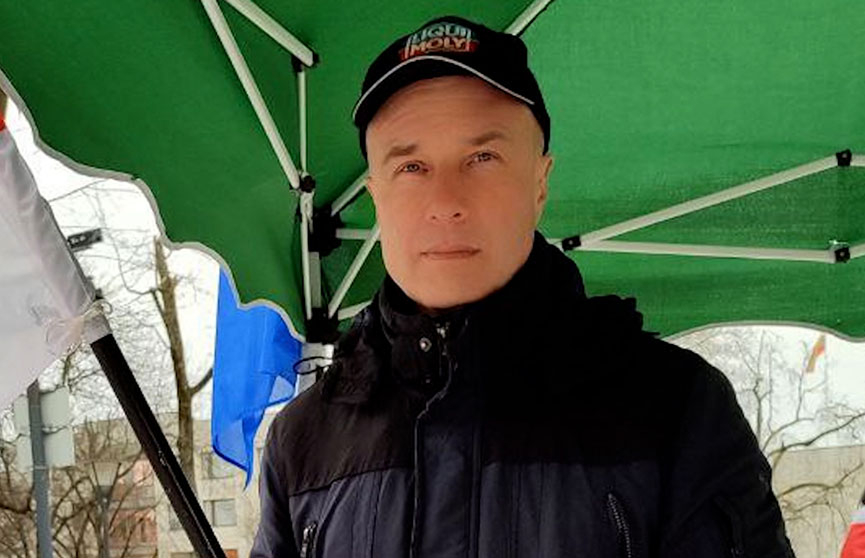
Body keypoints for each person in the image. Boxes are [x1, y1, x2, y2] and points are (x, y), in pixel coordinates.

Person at [251, 16, 795, 558]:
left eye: (482, 158)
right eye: (412, 167)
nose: (445, 202)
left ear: (540, 182)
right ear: (376, 196)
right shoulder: (303, 442)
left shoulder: (676, 410)